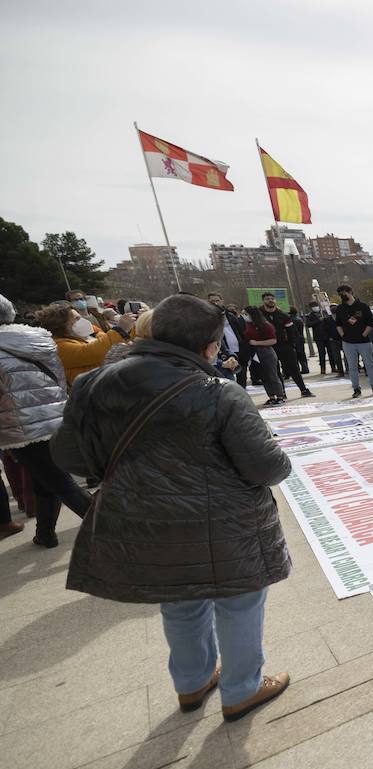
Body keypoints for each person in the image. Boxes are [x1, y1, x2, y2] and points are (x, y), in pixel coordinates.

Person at [51, 293, 292, 720]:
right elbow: (267, 467)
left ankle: (192, 682)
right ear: (210, 345)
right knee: (238, 603)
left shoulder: (93, 384)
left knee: (180, 601)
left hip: (143, 524)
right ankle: (242, 689)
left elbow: (69, 457)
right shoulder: (219, 392)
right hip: (223, 523)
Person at [0, 294, 92, 547]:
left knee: (59, 481)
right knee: (46, 478)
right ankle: (45, 533)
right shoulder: (37, 339)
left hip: (23, 427)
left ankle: (116, 528)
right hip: (53, 417)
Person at [34, 301, 135, 386]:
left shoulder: (90, 334)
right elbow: (94, 352)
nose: (82, 320)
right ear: (61, 324)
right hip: (93, 391)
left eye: (80, 317)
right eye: (77, 318)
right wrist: (120, 330)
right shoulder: (58, 346)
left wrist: (134, 326)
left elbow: (118, 343)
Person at [261, 293, 312, 399]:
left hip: (285, 346)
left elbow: (291, 331)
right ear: (263, 301)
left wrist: (292, 344)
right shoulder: (260, 315)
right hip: (269, 346)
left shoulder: (283, 315)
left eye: (272, 298)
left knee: (294, 369)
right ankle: (281, 392)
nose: (270, 300)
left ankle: (303, 390)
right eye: (267, 299)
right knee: (275, 371)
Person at [336, 284, 373, 398]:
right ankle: (356, 388)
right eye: (340, 293)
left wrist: (364, 334)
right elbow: (338, 324)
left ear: (350, 292)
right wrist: (343, 335)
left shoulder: (362, 306)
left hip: (364, 341)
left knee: (369, 365)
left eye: (344, 292)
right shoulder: (340, 308)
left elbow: (370, 322)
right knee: (352, 367)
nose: (342, 295)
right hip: (348, 342)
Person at [242, 306, 288, 406]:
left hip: (266, 352)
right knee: (264, 376)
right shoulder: (249, 325)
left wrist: (257, 343)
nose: (244, 316)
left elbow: (273, 340)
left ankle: (280, 396)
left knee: (272, 375)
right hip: (255, 353)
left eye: (246, 314)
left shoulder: (265, 325)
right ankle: (271, 396)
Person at [314, 296, 343, 376]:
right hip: (333, 340)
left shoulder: (342, 318)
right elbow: (324, 329)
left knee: (346, 356)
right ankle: (340, 371)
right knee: (336, 356)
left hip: (343, 339)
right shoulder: (327, 320)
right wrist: (329, 337)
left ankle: (346, 369)